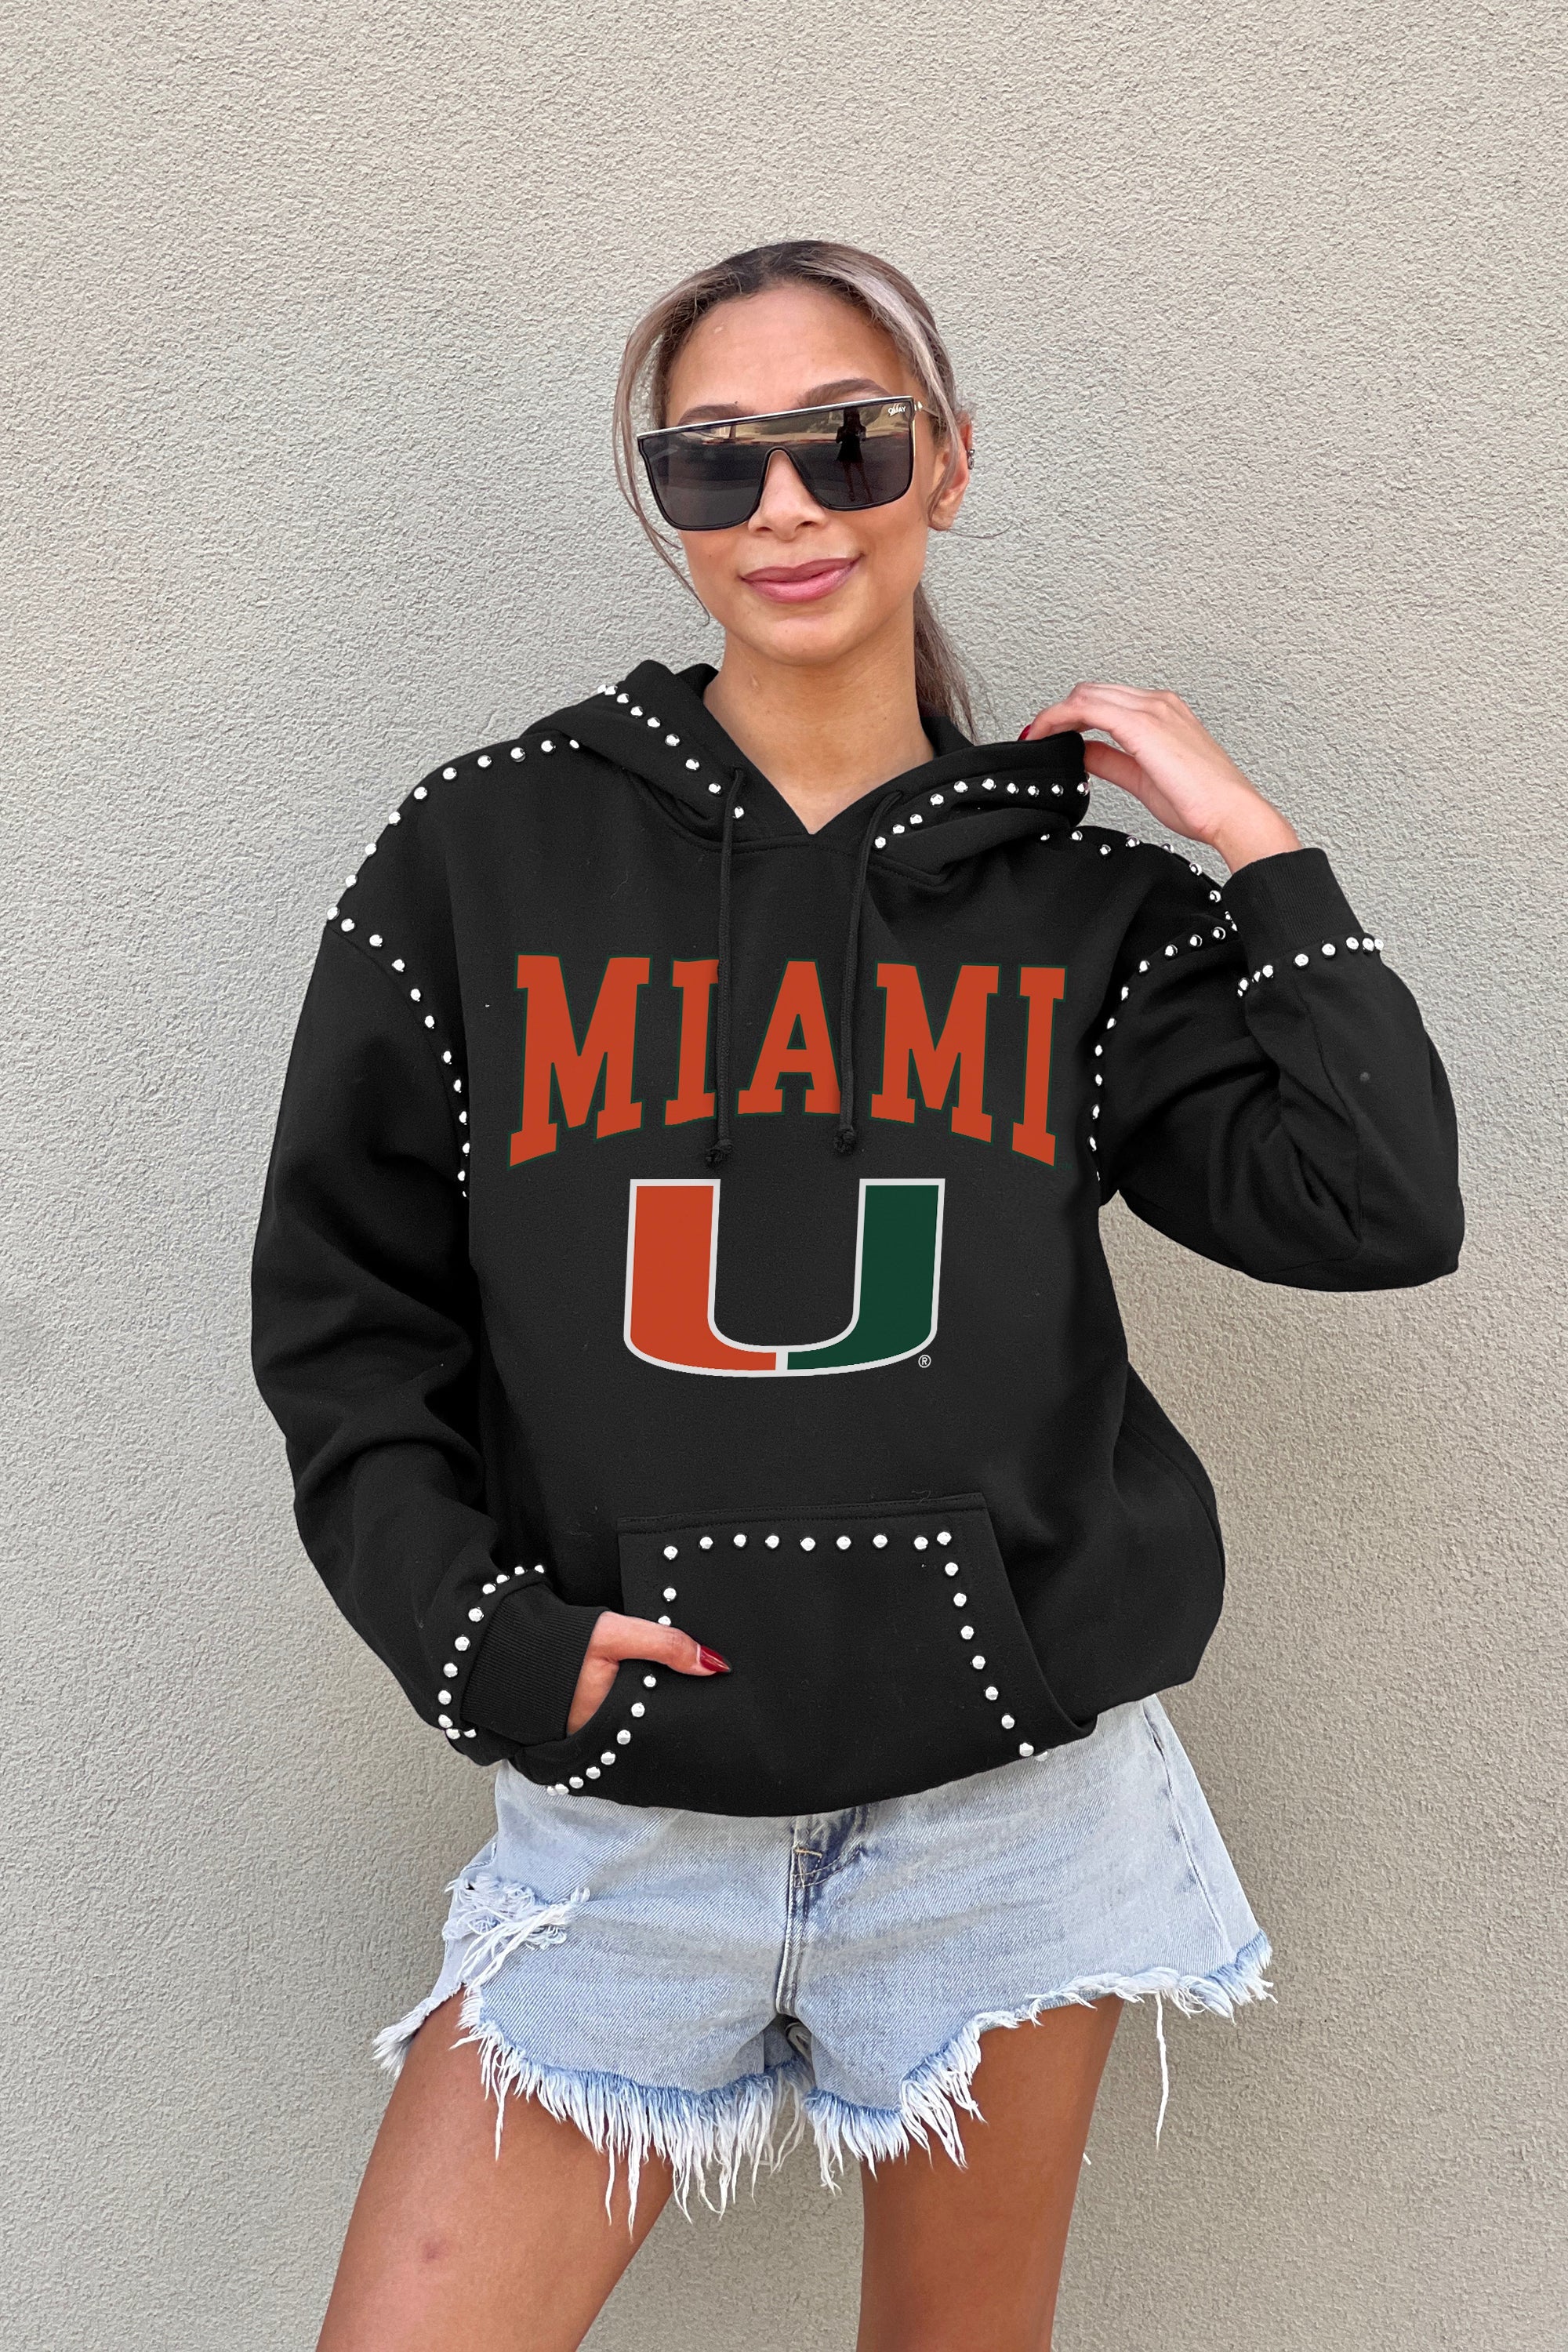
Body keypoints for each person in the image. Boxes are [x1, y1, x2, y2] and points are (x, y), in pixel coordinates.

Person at [251, 238, 1463, 2352]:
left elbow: (1375, 1206)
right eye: (716, 462)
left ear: (946, 465)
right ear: (664, 501)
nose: (788, 504)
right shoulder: (485, 858)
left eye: (847, 443)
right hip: (632, 1812)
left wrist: (1250, 840)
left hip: (1010, 1819)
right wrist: (489, 1643)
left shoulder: (1080, 905)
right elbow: (350, 1318)